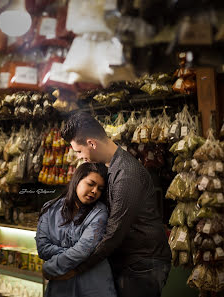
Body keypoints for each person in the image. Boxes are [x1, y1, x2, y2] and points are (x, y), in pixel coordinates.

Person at [55, 111, 171, 297]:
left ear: (91, 143)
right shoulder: (110, 167)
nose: (78, 156)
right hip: (128, 262)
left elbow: (114, 233)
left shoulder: (126, 174)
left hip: (142, 266)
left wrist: (77, 267)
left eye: (78, 151)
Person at [36, 162, 117, 297]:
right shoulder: (50, 208)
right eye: (91, 184)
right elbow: (42, 249)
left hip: (93, 285)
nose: (95, 191)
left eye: (100, 188)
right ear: (77, 180)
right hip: (61, 287)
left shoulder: (99, 213)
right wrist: (79, 255)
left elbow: (82, 250)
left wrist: (50, 268)